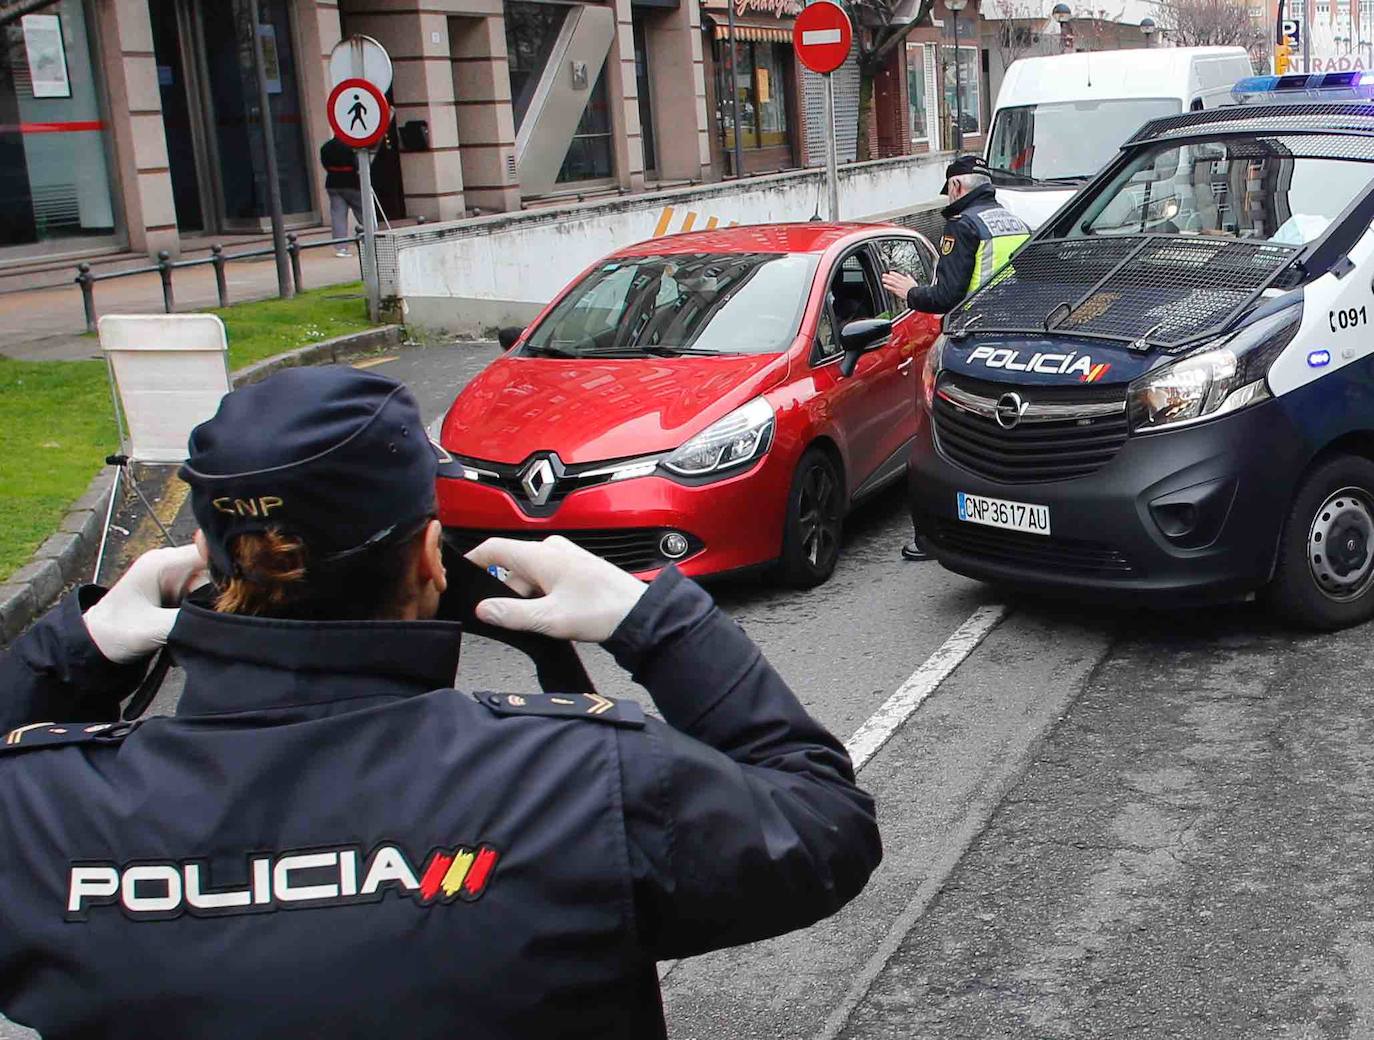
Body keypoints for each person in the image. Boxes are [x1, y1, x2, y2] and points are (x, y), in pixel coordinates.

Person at [0, 366, 881, 1040]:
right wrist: (656, 621)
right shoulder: (577, 779)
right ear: (432, 557)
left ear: (204, 557)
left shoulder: (44, 813)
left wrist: (73, 650)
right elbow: (825, 825)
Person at [881, 154, 1030, 562]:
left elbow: (946, 296)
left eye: (948, 188)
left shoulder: (961, 226)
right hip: (1017, 346)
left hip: (970, 349)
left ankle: (933, 537)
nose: (948, 195)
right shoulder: (1013, 222)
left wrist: (910, 291)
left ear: (958, 187)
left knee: (944, 445)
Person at [320, 135, 363, 258]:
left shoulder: (326, 147)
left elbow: (325, 164)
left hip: (333, 182)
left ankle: (341, 247)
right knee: (363, 213)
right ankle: (371, 241)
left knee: (338, 216)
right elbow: (357, 164)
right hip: (351, 182)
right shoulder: (352, 145)